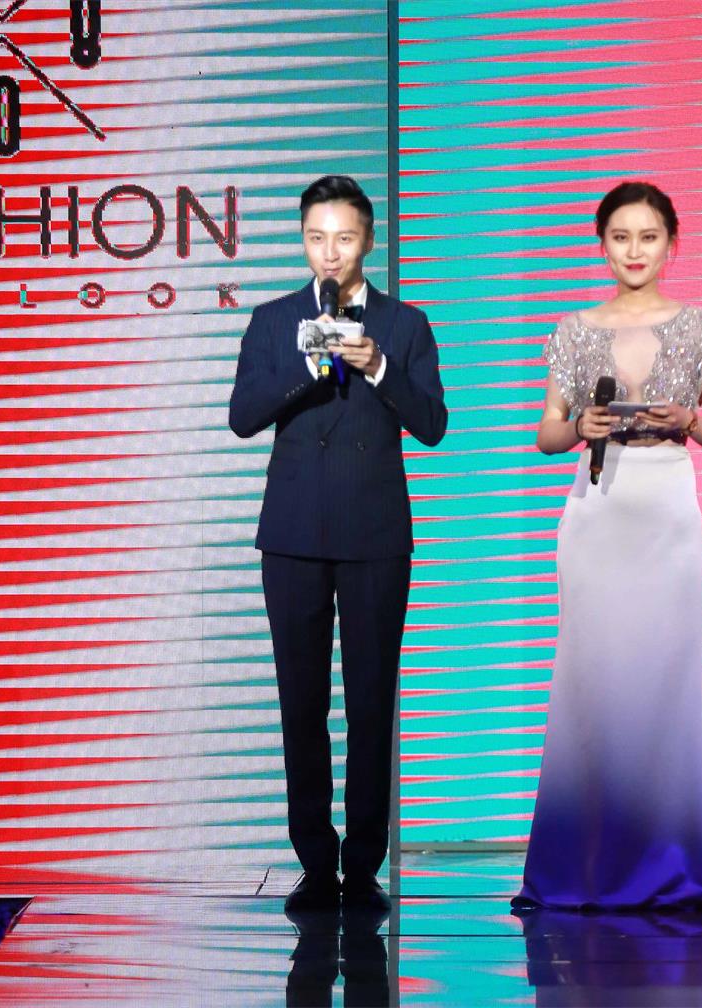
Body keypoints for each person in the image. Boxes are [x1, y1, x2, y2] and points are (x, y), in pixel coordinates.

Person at [514, 181, 702, 913]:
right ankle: (587, 865)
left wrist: (688, 418)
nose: (634, 250)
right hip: (597, 514)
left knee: (665, 685)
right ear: (602, 244)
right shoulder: (572, 330)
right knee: (593, 687)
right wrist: (578, 428)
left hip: (667, 514)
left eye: (648, 237)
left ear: (671, 244)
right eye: (620, 237)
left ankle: (673, 860)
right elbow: (546, 433)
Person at [229, 175, 447, 914]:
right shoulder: (272, 320)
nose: (330, 253)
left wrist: (377, 366)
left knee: (370, 703)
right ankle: (315, 861)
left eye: (344, 238)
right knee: (301, 704)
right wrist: (308, 365)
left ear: (368, 241)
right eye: (316, 238)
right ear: (302, 239)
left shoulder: (405, 324)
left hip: (375, 533)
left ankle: (364, 863)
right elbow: (242, 416)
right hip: (293, 534)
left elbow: (432, 424)